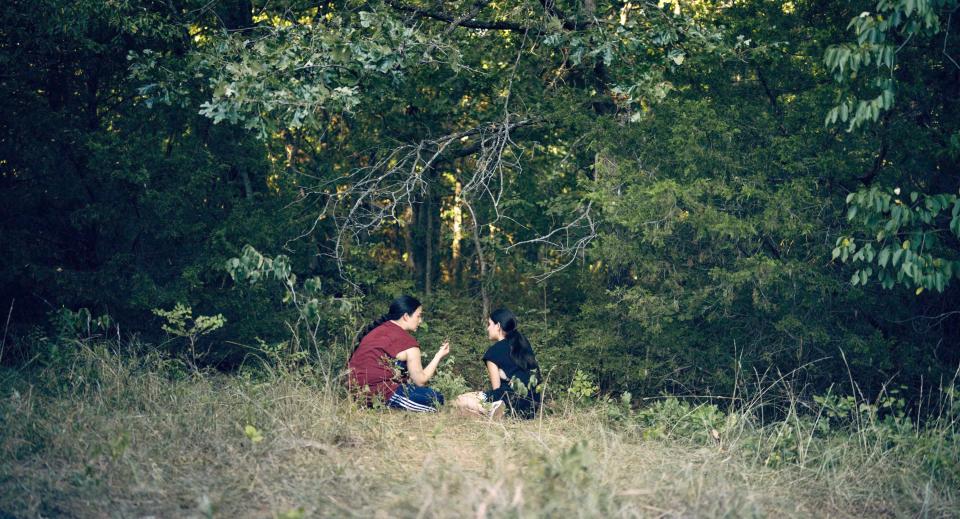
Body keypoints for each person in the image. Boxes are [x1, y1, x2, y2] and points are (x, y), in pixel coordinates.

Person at [348, 295, 450, 412]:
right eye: (419, 316)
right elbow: (420, 381)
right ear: (406, 316)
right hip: (379, 393)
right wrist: (439, 355)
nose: (420, 321)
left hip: (354, 392)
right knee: (436, 399)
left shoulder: (377, 330)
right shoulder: (408, 342)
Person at [454, 308, 540, 419]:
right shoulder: (523, 343)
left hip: (507, 400)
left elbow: (497, 390)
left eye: (489, 324)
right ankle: (488, 414)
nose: (487, 328)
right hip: (531, 407)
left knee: (459, 400)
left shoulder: (493, 352)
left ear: (498, 326)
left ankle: (490, 412)